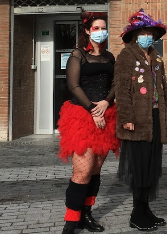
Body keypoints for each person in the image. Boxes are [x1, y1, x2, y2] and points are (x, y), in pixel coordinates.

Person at [114, 9, 167, 231]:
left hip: (155, 118)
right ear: (134, 35)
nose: (148, 37)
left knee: (152, 165)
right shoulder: (126, 56)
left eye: (151, 33)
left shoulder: (156, 56)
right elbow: (121, 90)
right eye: (143, 33)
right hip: (137, 120)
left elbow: (164, 90)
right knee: (139, 166)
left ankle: (146, 209)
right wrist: (126, 118)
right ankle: (136, 212)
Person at [57, 12, 119, 234]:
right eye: (96, 28)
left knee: (95, 170)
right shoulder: (78, 55)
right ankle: (71, 221)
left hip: (106, 115)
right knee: (82, 171)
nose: (100, 31)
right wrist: (93, 109)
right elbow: (73, 86)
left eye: (103, 28)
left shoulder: (110, 57)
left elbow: (115, 84)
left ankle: (86, 214)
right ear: (87, 31)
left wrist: (106, 102)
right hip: (82, 116)